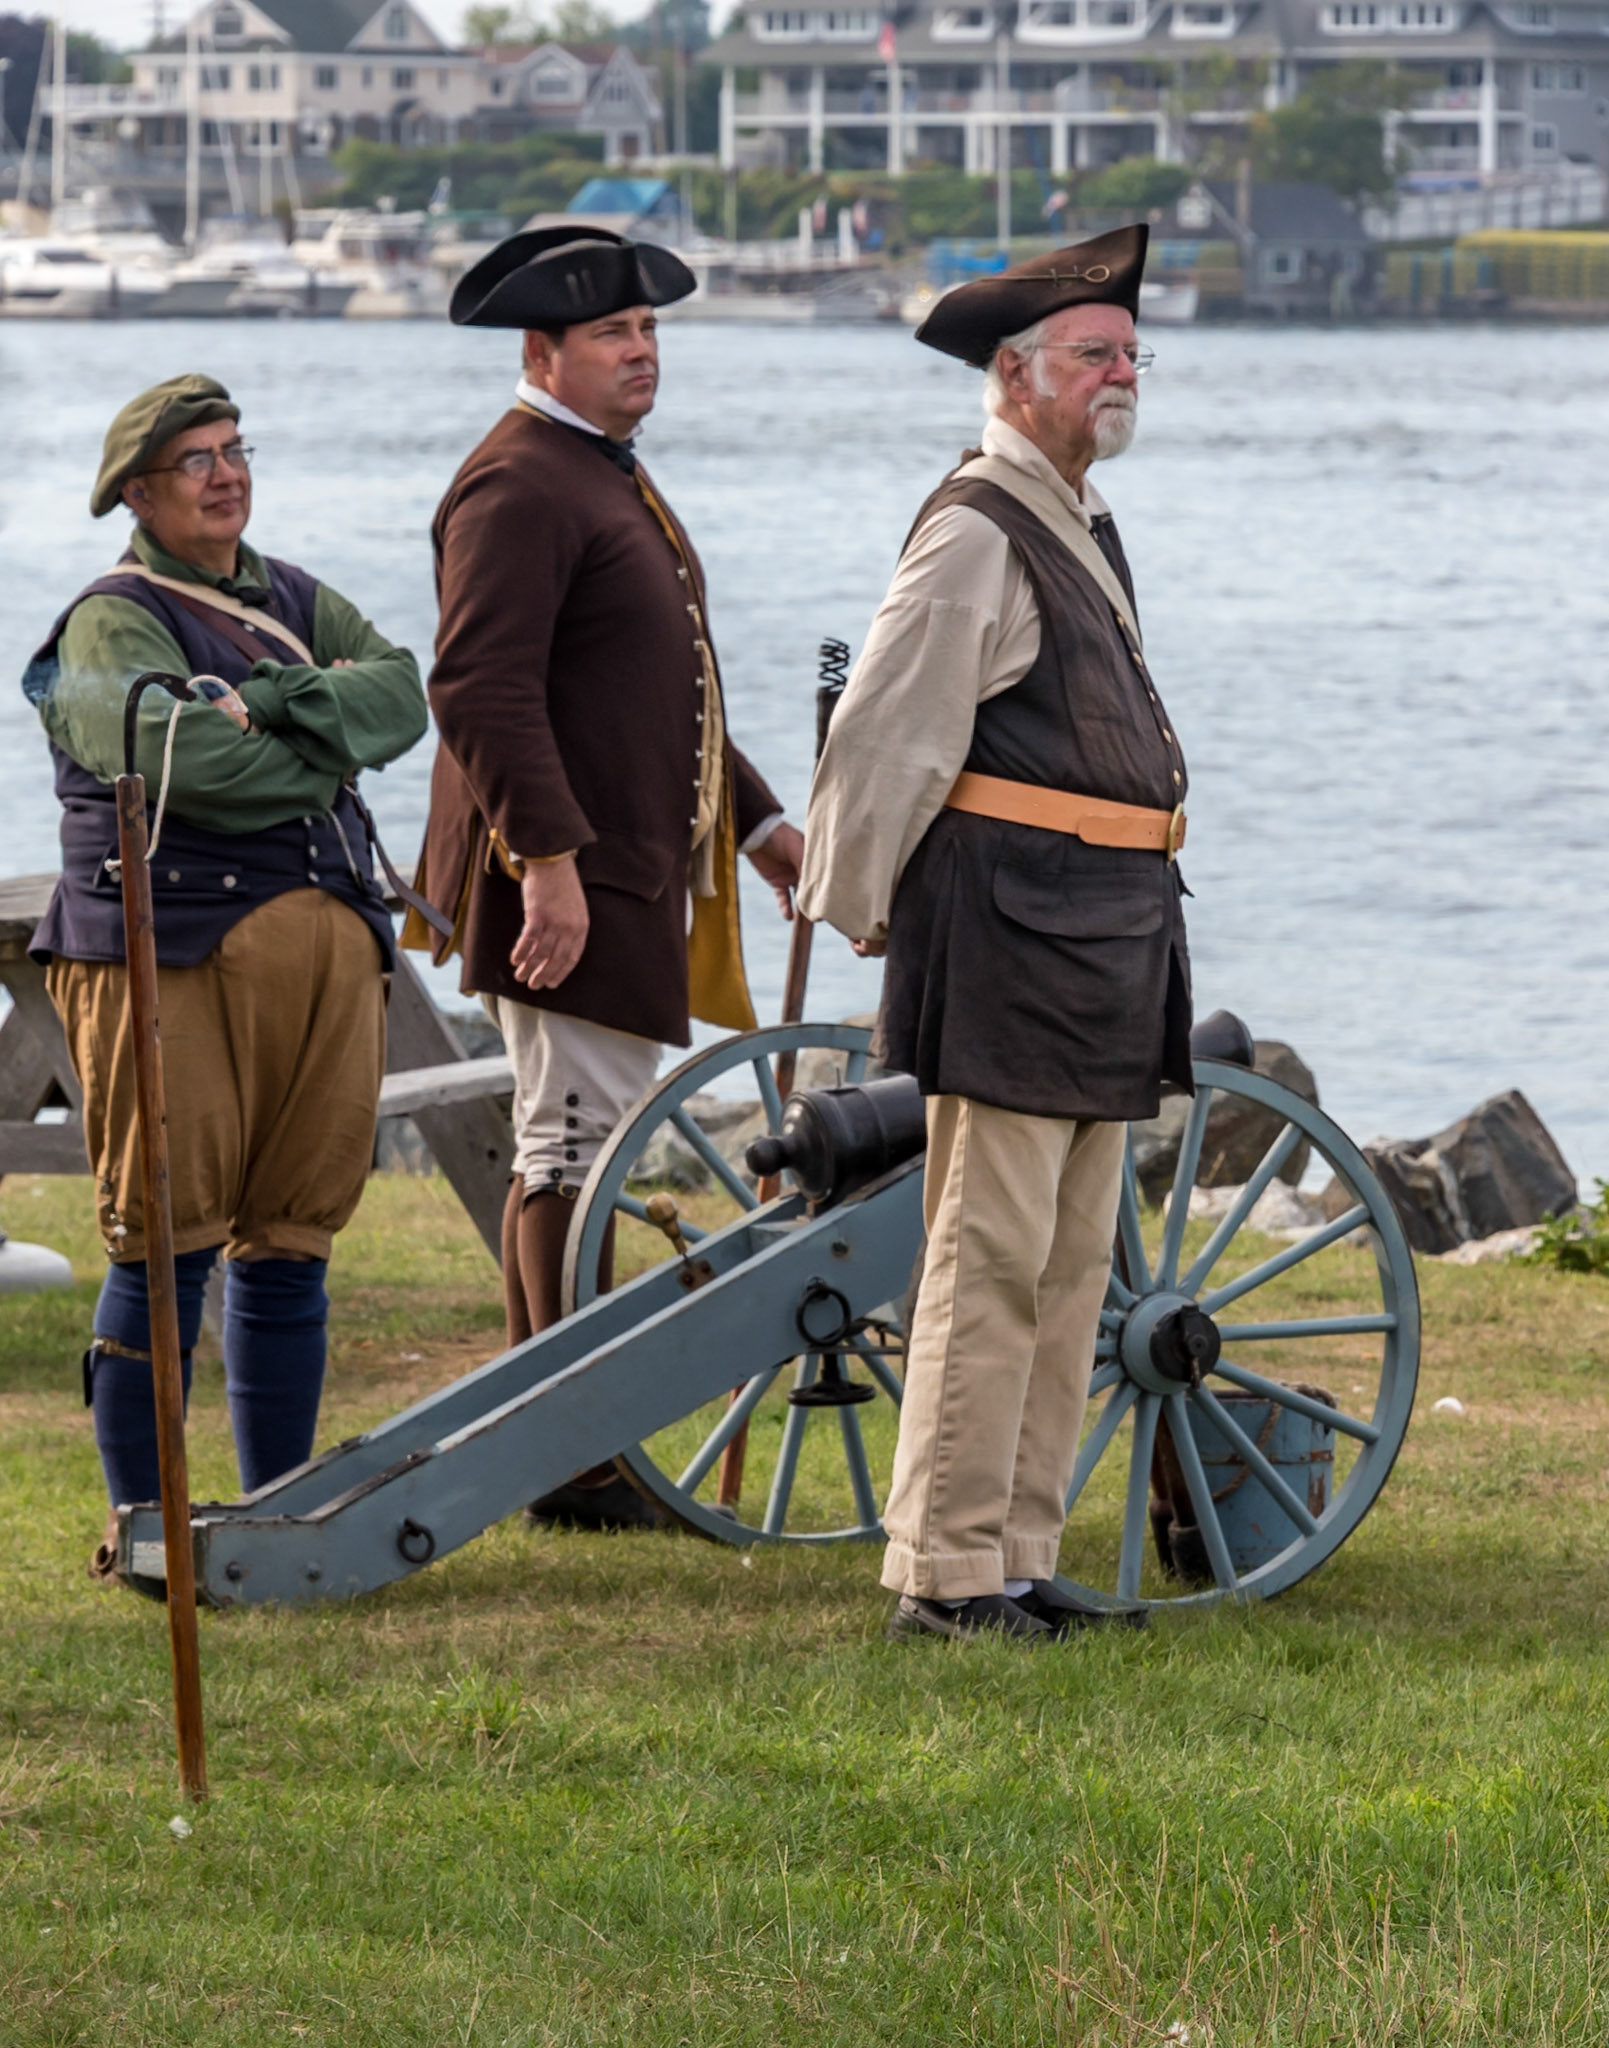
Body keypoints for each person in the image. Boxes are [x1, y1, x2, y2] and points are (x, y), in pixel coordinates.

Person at [797, 227, 1193, 1644]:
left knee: (1071, 1264)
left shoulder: (1077, 516)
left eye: (1131, 354)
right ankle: (945, 1574)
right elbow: (889, 724)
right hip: (1017, 934)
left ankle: (1017, 1556)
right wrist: (853, 900)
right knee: (991, 1260)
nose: (1121, 375)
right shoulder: (976, 524)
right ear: (1014, 375)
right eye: (1095, 355)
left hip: (1102, 930)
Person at [409, 227, 804, 1529]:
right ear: (544, 352)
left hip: (618, 860)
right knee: (573, 1141)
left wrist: (758, 830)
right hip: (569, 870)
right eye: (614, 338)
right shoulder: (521, 484)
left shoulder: (591, 471)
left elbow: (664, 687)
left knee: (566, 1138)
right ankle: (569, 1456)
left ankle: (561, 1437)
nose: (642, 355)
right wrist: (554, 865)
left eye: (649, 334)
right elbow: (475, 684)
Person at [23, 372, 428, 1583]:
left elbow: (403, 697)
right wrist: (320, 747)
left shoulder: (297, 597)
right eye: (196, 458)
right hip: (173, 960)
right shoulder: (107, 623)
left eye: (234, 448)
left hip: (324, 962)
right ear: (139, 493)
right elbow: (188, 765)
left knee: (292, 1245)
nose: (225, 472)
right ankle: (147, 1531)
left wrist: (274, 705)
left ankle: (276, 1523)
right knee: (166, 1242)